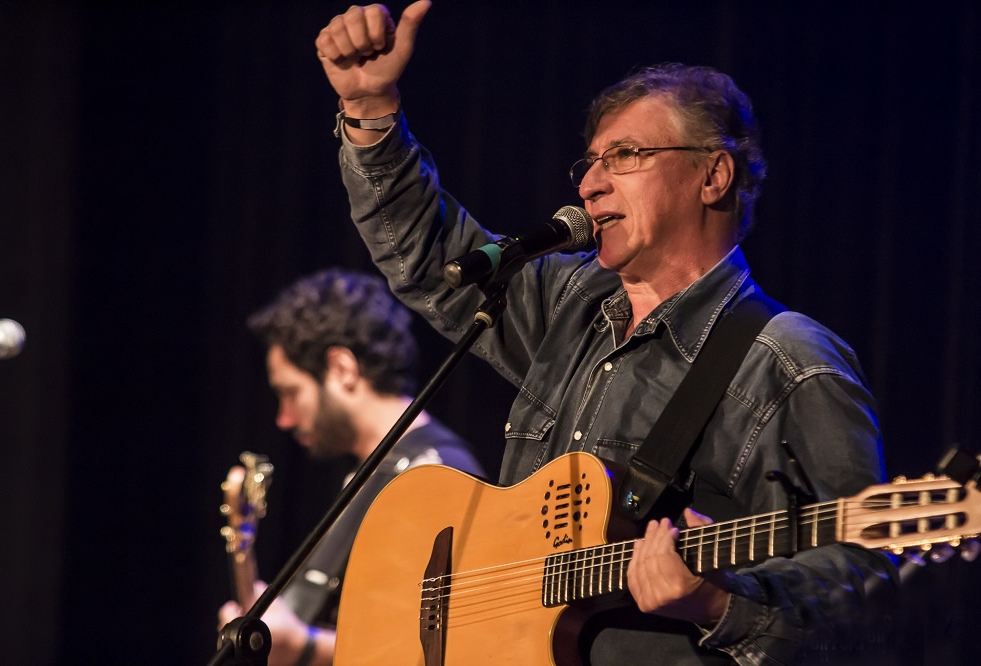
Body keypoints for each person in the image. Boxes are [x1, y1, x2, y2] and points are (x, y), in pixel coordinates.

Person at [312, 3, 901, 665]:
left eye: (626, 156)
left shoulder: (791, 363)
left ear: (714, 175)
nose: (591, 185)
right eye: (590, 163)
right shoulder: (570, 300)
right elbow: (429, 257)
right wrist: (370, 110)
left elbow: (866, 583)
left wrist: (718, 603)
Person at [218, 268, 484, 666]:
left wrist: (304, 647)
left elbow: (444, 644)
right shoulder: (368, 475)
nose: (284, 419)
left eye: (291, 393)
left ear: (342, 368)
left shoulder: (436, 476)